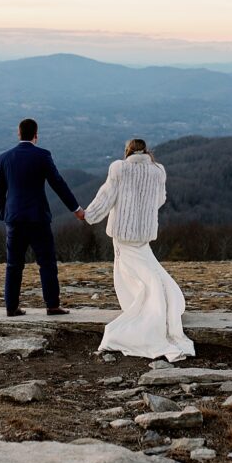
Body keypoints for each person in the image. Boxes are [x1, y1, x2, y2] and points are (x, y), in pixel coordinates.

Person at [83, 138, 195, 362]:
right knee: (147, 270)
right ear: (146, 151)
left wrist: (88, 215)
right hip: (144, 233)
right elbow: (160, 199)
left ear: (128, 151)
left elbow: (106, 197)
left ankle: (141, 309)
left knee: (130, 274)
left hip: (123, 233)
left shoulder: (119, 168)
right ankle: (159, 304)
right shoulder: (158, 171)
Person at [0, 118, 84, 316]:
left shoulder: (4, 158)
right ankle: (52, 305)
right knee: (47, 262)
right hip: (38, 218)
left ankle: (11, 307)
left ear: (19, 133)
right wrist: (76, 209)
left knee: (13, 264)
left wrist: (3, 213)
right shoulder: (42, 156)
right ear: (36, 135)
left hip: (14, 219)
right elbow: (58, 184)